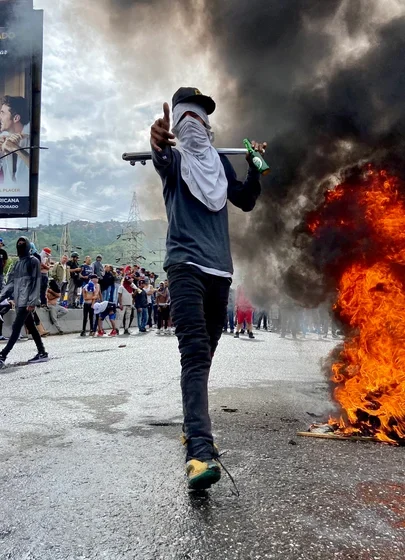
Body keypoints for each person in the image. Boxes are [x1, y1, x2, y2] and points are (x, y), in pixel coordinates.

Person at [150, 87, 266, 489]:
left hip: (220, 273)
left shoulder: (218, 163)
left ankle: (191, 422)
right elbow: (161, 155)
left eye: (202, 117)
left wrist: (254, 168)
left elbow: (246, 201)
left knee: (207, 353)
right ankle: (199, 451)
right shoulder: (174, 160)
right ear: (178, 122)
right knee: (195, 351)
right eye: (188, 117)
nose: (196, 123)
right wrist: (158, 139)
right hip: (184, 268)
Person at [0, 237, 48, 367]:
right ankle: (42, 352)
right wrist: (1, 297)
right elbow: (10, 284)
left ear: (27, 246)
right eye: (18, 243)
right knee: (31, 326)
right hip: (19, 301)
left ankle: (3, 355)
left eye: (23, 243)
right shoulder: (17, 264)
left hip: (27, 302)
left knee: (16, 328)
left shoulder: (33, 261)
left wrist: (32, 302)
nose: (20, 245)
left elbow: (36, 282)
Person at [0, 96, 30, 189]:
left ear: (16, 118)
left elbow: (39, 167)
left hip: (30, 197)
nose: (0, 117)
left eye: (2, 113)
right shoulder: (3, 139)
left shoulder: (32, 139)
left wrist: (16, 149)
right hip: (9, 197)